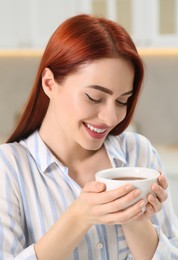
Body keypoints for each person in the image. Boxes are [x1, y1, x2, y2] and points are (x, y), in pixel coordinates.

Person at [0, 14, 177, 260]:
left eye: (122, 101)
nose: (110, 118)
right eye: (94, 97)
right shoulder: (8, 168)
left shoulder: (138, 153)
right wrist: (80, 216)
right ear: (50, 83)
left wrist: (135, 217)